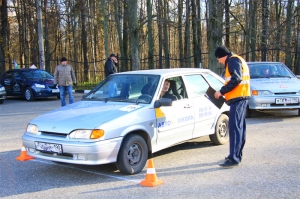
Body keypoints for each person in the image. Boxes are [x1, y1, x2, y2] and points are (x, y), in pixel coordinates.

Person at [213, 46, 250, 168]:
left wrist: (221, 91)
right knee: (239, 128)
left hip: (238, 98)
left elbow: (236, 78)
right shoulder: (236, 59)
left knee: (235, 129)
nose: (219, 62)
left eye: (218, 59)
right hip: (240, 98)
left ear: (221, 56)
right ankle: (236, 156)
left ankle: (233, 158)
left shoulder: (232, 60)